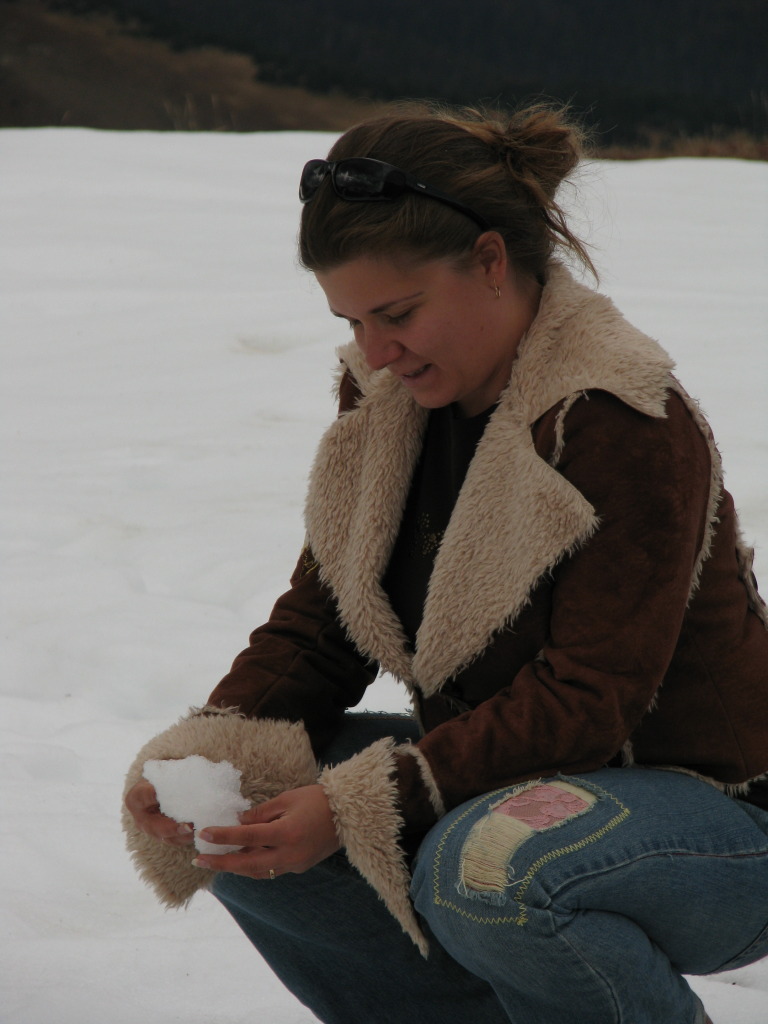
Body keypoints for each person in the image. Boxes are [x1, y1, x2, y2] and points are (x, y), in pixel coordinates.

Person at [123, 103, 768, 1024]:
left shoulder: (620, 416)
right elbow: (323, 624)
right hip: (515, 787)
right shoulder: (388, 400)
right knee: (233, 807)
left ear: (491, 260)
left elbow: (588, 701)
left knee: (483, 869)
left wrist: (360, 805)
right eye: (352, 321)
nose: (376, 352)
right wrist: (202, 756)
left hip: (720, 820)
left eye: (398, 314)